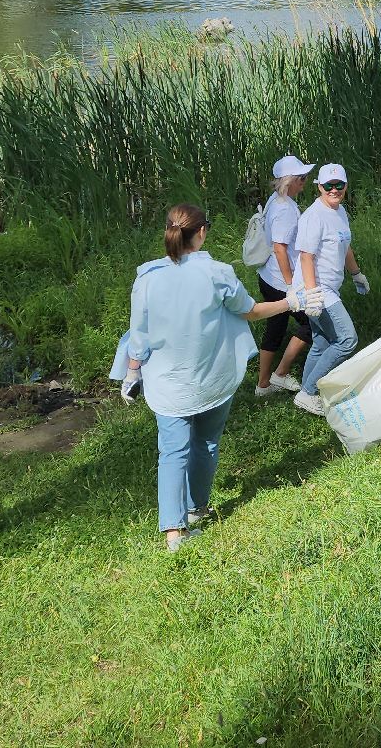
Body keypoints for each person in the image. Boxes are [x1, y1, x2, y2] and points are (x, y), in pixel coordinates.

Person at [115, 204, 302, 551]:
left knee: (172, 452)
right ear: (201, 232)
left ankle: (174, 533)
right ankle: (196, 508)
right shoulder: (218, 273)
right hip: (213, 381)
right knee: (206, 443)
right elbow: (251, 312)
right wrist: (291, 302)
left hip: (168, 386)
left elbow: (137, 336)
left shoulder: (147, 278)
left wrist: (131, 374)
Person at [292, 163, 368, 416]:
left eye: (339, 185)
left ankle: (306, 393)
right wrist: (312, 295)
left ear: (345, 186)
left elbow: (345, 247)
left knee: (322, 341)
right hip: (316, 289)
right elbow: (306, 257)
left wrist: (357, 274)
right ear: (319, 187)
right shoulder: (313, 217)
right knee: (347, 339)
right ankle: (309, 392)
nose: (334, 190)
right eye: (328, 186)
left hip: (330, 286)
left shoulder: (340, 211)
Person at [252, 155, 314, 398]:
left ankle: (263, 384)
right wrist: (292, 286)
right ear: (291, 180)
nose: (305, 183)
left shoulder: (275, 200)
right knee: (313, 323)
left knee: (275, 327)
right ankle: (281, 373)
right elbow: (279, 248)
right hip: (281, 281)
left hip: (268, 276)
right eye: (302, 178)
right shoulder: (285, 209)